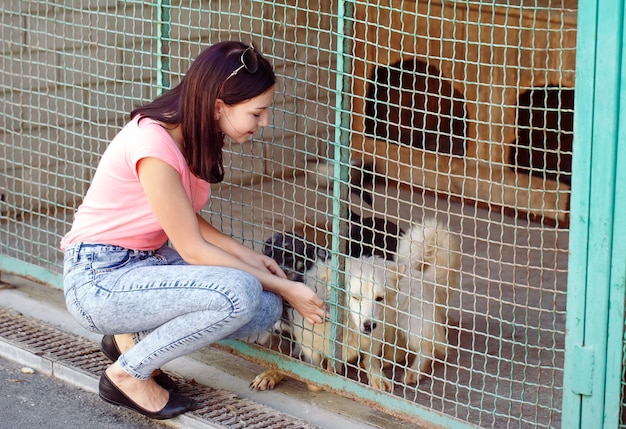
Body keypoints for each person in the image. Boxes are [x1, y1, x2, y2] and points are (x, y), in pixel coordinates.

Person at [61, 41, 326, 420]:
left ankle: (131, 341)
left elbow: (184, 219)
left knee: (264, 307)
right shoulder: (154, 145)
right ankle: (126, 374)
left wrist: (248, 256)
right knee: (241, 293)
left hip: (141, 264)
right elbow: (191, 246)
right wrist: (286, 287)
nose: (264, 122)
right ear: (220, 106)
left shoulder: (188, 133)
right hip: (99, 279)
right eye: (258, 112)